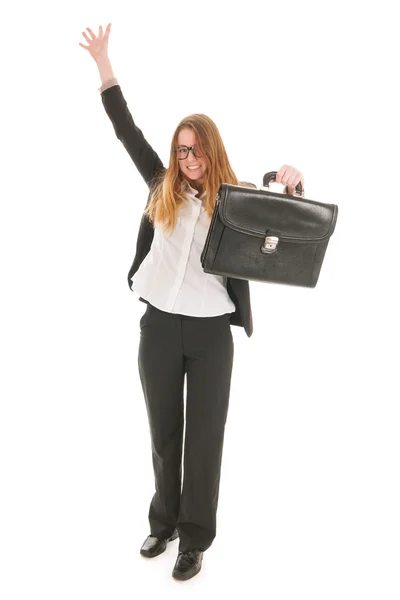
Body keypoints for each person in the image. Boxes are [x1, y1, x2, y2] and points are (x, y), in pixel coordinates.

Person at [79, 23, 304, 582]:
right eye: (181, 150)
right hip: (157, 326)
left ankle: (195, 538)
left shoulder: (235, 202)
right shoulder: (161, 187)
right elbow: (125, 129)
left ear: (211, 149)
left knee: (204, 439)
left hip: (209, 336)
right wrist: (105, 67)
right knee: (163, 433)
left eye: (195, 148)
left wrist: (291, 180)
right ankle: (164, 520)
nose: (187, 158)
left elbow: (281, 208)